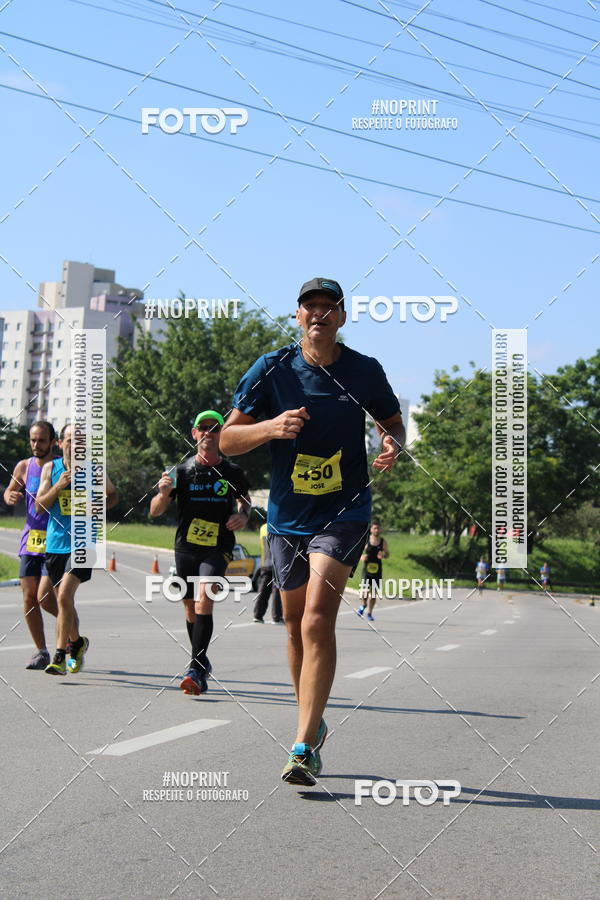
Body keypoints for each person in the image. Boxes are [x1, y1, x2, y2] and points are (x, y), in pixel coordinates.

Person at [221, 276, 404, 786]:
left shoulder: (364, 371)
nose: (319, 313)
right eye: (311, 307)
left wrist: (392, 442)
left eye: (330, 307)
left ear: (342, 318)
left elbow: (392, 420)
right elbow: (229, 440)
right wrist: (270, 427)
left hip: (343, 512)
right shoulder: (272, 368)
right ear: (298, 316)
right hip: (285, 518)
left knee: (319, 619)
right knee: (294, 622)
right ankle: (311, 719)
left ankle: (302, 747)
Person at [150, 410, 251, 696]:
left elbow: (246, 502)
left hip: (218, 546)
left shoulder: (232, 473)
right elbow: (155, 511)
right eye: (202, 427)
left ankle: (194, 668)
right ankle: (201, 659)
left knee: (205, 597)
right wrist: (161, 493)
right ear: (194, 434)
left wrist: (243, 516)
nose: (208, 432)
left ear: (222, 434)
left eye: (214, 428)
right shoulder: (180, 472)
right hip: (186, 547)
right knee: (190, 606)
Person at [36, 424, 118, 675]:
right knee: (49, 599)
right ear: (60, 444)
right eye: (69, 440)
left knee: (63, 596)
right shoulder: (51, 469)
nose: (74, 445)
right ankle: (78, 641)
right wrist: (58, 486)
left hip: (84, 542)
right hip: (55, 544)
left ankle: (60, 656)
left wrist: (102, 503)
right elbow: (40, 507)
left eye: (79, 441)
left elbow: (113, 495)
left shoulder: (94, 470)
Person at [3, 421, 62, 669]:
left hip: (56, 537)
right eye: (33, 440)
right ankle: (41, 652)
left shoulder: (59, 467)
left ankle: (71, 634)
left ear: (52, 441)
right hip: (31, 538)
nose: (36, 445)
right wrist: (10, 496)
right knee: (29, 597)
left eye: (41, 440)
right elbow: (9, 491)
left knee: (47, 599)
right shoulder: (24, 466)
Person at [357, 522, 388, 621]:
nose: (377, 530)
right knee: (365, 591)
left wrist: (383, 555)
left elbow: (387, 554)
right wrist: (362, 557)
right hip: (367, 570)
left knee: (374, 594)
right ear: (371, 529)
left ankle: (369, 613)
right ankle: (363, 605)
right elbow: (358, 552)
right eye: (375, 528)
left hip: (377, 571)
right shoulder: (366, 540)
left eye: (378, 528)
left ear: (380, 530)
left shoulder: (383, 542)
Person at [253, 521, 284, 623]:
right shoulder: (280, 526)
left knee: (263, 590)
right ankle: (277, 616)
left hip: (265, 563)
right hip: (278, 564)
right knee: (277, 590)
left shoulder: (263, 528)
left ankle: (258, 615)